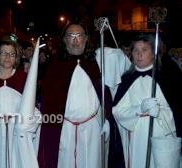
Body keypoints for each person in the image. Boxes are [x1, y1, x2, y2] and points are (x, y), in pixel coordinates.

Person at [38, 22, 118, 168]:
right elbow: (48, 102)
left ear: (86, 39)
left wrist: (107, 118)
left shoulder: (95, 64)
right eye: (71, 35)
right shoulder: (55, 67)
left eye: (79, 35)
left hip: (92, 128)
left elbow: (105, 94)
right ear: (64, 40)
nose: (75, 39)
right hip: (65, 129)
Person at [113, 34, 182, 168]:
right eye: (135, 50)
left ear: (153, 53)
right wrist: (138, 109)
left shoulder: (167, 77)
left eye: (144, 50)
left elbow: (178, 111)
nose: (139, 54)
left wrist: (160, 113)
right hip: (136, 137)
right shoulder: (126, 79)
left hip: (162, 136)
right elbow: (118, 111)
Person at [0, 40, 41, 168]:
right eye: (4, 53)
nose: (8, 57)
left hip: (17, 132)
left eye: (12, 54)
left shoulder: (23, 78)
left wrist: (27, 124)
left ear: (16, 58)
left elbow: (32, 108)